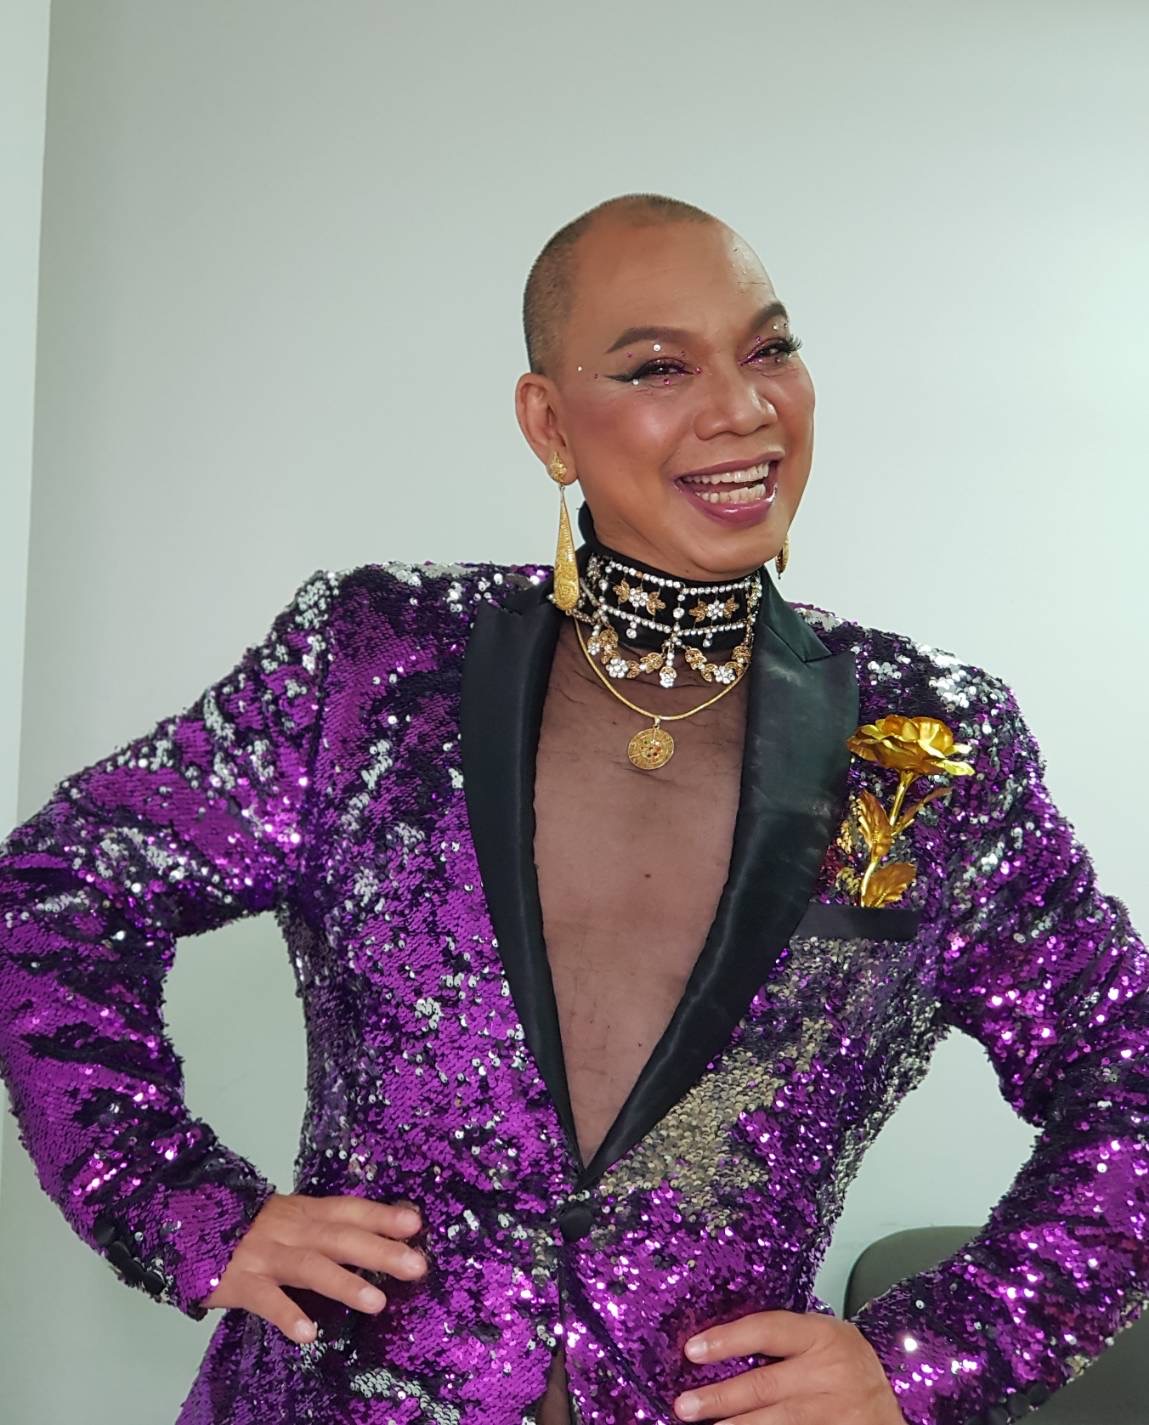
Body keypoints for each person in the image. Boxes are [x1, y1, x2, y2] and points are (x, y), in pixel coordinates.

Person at [0, 192, 1146, 1425]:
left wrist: (930, 1359)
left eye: (769, 349)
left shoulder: (930, 739)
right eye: (659, 366)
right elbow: (53, 896)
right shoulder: (374, 664)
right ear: (549, 422)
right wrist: (181, 1207)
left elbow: (1128, 1070)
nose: (743, 409)